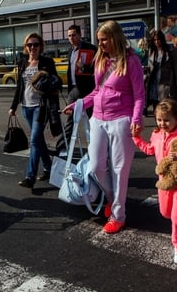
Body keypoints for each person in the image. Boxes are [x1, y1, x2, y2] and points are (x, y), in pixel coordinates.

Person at [62, 20, 145, 234]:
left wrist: (136, 120)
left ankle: (119, 214)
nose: (101, 44)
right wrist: (78, 104)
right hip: (98, 118)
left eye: (104, 39)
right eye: (99, 40)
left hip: (121, 119)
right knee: (97, 166)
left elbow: (139, 95)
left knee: (120, 170)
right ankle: (111, 198)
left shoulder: (131, 61)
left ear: (115, 37)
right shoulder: (101, 59)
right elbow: (97, 91)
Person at [132, 98, 177, 265]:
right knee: (166, 213)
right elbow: (149, 149)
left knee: (176, 216)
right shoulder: (156, 134)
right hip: (163, 181)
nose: (162, 123)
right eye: (159, 119)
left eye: (167, 120)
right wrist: (136, 138)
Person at [9, 33, 59, 189]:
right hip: (26, 107)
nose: (32, 48)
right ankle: (49, 168)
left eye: (35, 45)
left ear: (40, 46)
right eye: (29, 45)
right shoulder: (22, 63)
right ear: (26, 47)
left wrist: (46, 80)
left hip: (41, 107)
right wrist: (13, 106)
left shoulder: (47, 62)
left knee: (35, 139)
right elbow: (20, 87)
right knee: (39, 141)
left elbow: (56, 81)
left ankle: (30, 177)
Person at [55, 25, 97, 154]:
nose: (71, 38)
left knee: (93, 119)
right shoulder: (70, 51)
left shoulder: (90, 49)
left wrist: (83, 67)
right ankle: (62, 146)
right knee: (69, 118)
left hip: (87, 89)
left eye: (73, 35)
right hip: (74, 88)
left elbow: (96, 69)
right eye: (69, 36)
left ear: (80, 35)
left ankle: (97, 145)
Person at [146, 29, 177, 115]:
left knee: (167, 107)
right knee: (156, 107)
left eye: (158, 39)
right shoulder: (151, 51)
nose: (156, 42)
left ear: (162, 39)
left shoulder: (171, 50)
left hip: (166, 81)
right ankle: (159, 126)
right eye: (154, 40)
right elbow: (149, 67)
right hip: (153, 82)